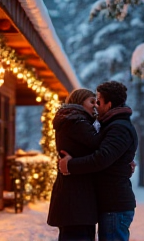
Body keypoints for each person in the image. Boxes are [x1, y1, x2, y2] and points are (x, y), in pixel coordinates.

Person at [59, 81, 138, 241]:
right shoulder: (111, 125)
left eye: (99, 101)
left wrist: (69, 165)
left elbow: (101, 158)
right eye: (93, 102)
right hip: (109, 204)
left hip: (115, 205)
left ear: (108, 105)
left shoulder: (119, 127)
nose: (96, 106)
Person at [47, 88, 102, 241]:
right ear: (79, 102)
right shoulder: (76, 121)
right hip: (76, 199)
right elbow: (99, 144)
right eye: (92, 101)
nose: (95, 106)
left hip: (73, 197)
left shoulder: (72, 120)